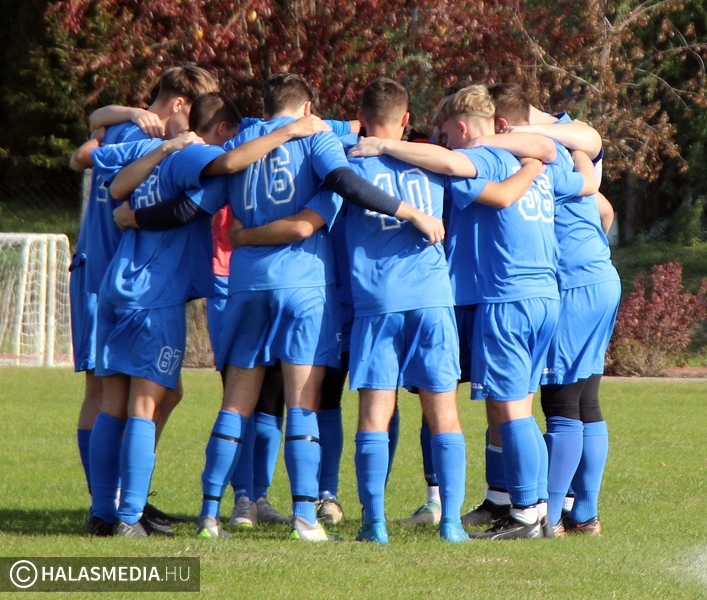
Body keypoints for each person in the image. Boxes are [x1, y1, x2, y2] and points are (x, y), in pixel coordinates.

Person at [197, 72, 445, 542]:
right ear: (309, 108)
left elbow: (202, 199)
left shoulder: (242, 140)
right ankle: (305, 516)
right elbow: (344, 182)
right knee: (303, 403)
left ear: (266, 107)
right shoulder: (316, 138)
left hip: (246, 284)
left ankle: (210, 515)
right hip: (303, 285)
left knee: (235, 404)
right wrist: (409, 211)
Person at [349, 84, 598, 539]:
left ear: (462, 128)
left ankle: (528, 513)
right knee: (518, 405)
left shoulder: (479, 158)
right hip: (546, 294)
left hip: (505, 296)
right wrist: (543, 157)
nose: (441, 143)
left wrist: (385, 146)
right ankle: (533, 511)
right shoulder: (540, 159)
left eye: (445, 134)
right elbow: (589, 184)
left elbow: (456, 169)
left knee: (509, 410)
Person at [68, 65, 219, 535]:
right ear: (179, 104)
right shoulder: (155, 140)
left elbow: (84, 154)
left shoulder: (124, 131)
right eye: (195, 115)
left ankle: (113, 502)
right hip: (115, 274)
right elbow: (84, 156)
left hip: (116, 277)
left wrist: (121, 114)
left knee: (153, 393)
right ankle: (115, 504)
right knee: (115, 395)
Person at [489, 83, 620, 535]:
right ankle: (584, 513)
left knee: (561, 403)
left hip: (574, 285)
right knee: (586, 400)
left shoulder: (534, 164)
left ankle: (550, 517)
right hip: (601, 277)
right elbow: (605, 207)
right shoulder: (566, 151)